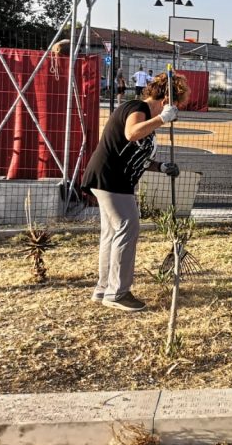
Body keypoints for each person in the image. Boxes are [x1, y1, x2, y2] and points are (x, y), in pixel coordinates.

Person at [81, 72, 189, 311]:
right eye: (177, 104)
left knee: (112, 233)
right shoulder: (137, 107)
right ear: (167, 99)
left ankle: (104, 288)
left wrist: (160, 166)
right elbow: (131, 133)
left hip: (113, 180)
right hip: (111, 179)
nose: (177, 110)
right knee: (127, 227)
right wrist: (162, 119)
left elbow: (136, 153)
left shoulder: (148, 118)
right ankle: (117, 293)